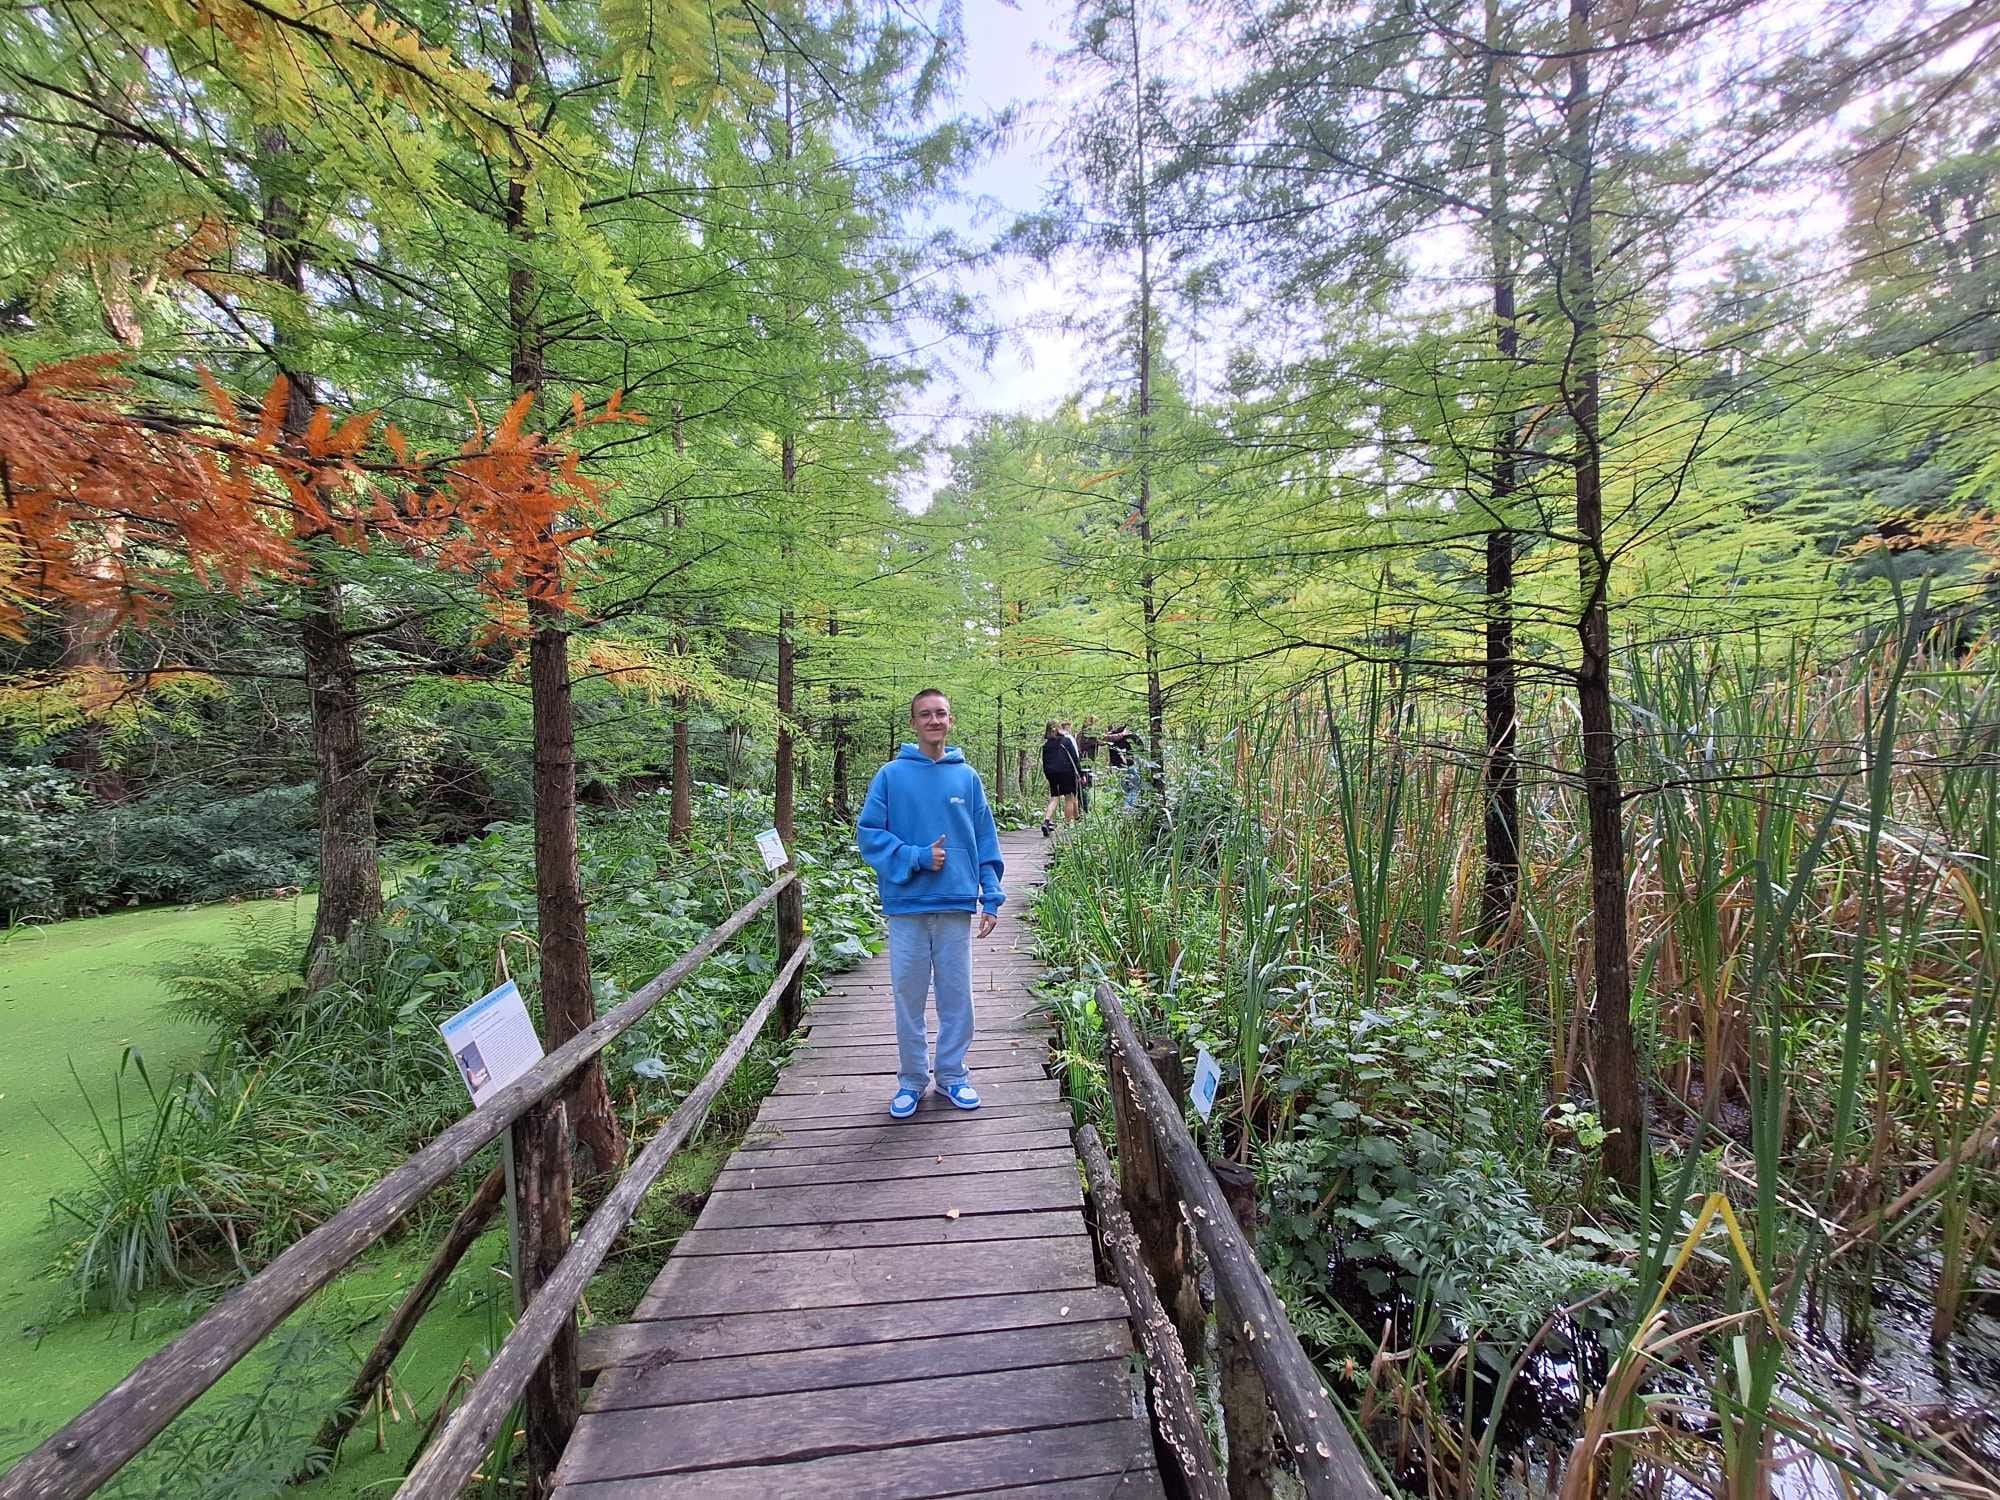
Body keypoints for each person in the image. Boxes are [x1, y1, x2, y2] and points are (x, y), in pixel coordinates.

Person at [856, 688, 1005, 1119]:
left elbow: (984, 840)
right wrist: (917, 856)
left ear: (951, 720)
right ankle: (912, 1080)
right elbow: (870, 835)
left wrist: (990, 894)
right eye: (925, 714)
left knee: (957, 996)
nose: (934, 721)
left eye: (941, 714)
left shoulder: (968, 778)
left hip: (956, 904)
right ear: (913, 723)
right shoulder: (890, 775)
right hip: (906, 905)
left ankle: (953, 1076)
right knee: (909, 995)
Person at [1040, 720, 1081, 836]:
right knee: (1069, 797)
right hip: (1066, 772)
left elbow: (1045, 763)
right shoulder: (1066, 741)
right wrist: (1080, 773)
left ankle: (1046, 821)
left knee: (1054, 797)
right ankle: (1068, 825)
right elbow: (1074, 759)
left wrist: (1048, 775)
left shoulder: (1046, 745)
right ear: (1058, 729)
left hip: (1052, 773)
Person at [1106, 723, 1141, 810]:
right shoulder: (1128, 735)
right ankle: (1128, 809)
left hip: (1119, 768)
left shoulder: (1111, 738)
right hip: (1129, 766)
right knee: (1134, 788)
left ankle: (1127, 808)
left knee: (1126, 790)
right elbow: (1140, 745)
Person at [1077, 718, 1101, 813]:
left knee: (1083, 787)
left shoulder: (1081, 735)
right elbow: (1104, 740)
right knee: (1085, 787)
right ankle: (1085, 810)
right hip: (1085, 765)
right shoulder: (1088, 736)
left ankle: (1082, 809)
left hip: (1084, 764)